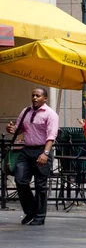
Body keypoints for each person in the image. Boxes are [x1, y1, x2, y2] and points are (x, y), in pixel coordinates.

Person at [7, 88, 59, 226]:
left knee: (40, 185)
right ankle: (31, 211)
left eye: (38, 95)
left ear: (45, 98)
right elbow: (20, 129)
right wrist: (12, 129)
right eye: (33, 95)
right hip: (26, 150)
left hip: (42, 150)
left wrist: (45, 154)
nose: (35, 98)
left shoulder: (50, 114)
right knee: (20, 180)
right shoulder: (26, 111)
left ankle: (40, 216)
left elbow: (51, 136)